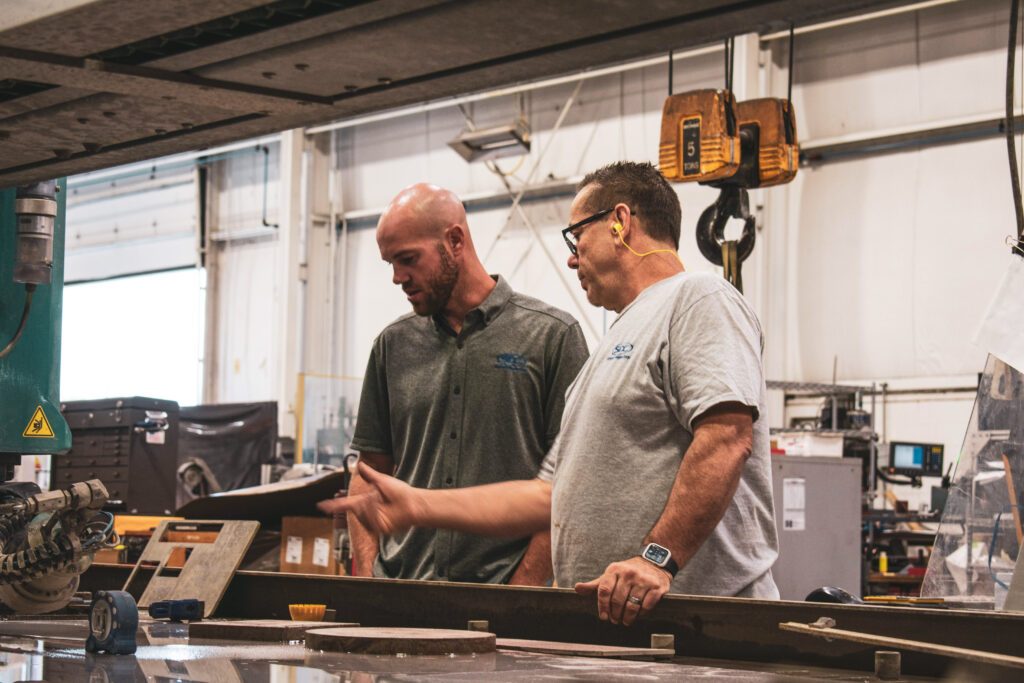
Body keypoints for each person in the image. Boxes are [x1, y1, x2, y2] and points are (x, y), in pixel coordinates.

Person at [327, 162, 779, 625]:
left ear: (620, 223)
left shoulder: (699, 296)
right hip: (625, 627)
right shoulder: (607, 354)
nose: (570, 257)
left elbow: (726, 437)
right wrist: (418, 505)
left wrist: (657, 558)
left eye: (576, 237)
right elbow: (548, 496)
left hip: (698, 627)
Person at [319, 183, 588, 585]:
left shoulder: (552, 337)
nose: (397, 278)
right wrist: (374, 572)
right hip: (404, 593)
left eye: (408, 259)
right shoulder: (393, 346)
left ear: (455, 240)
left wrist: (523, 588)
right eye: (390, 263)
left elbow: (571, 484)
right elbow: (369, 471)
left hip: (505, 598)